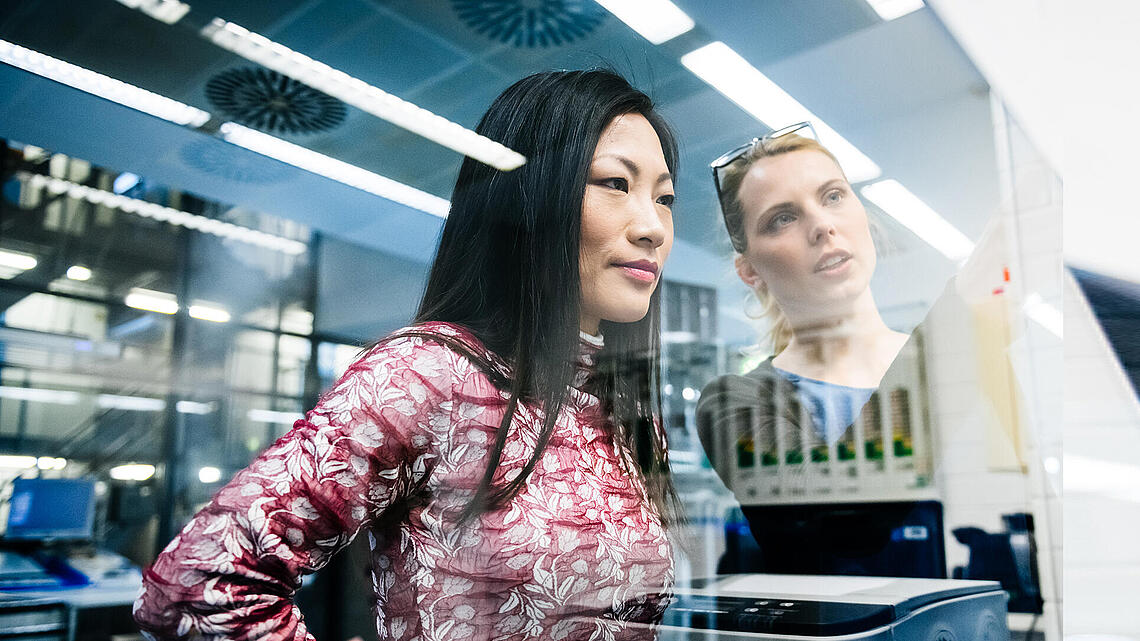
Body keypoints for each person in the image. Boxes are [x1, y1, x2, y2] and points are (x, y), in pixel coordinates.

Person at [133, 69, 682, 641]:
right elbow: (200, 585)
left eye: (664, 197)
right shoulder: (430, 375)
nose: (653, 227)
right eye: (615, 184)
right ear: (528, 199)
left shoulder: (621, 409)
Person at [696, 123, 909, 481]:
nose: (822, 225)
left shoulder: (949, 359)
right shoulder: (737, 403)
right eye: (783, 218)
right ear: (750, 271)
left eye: (833, 197)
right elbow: (830, 512)